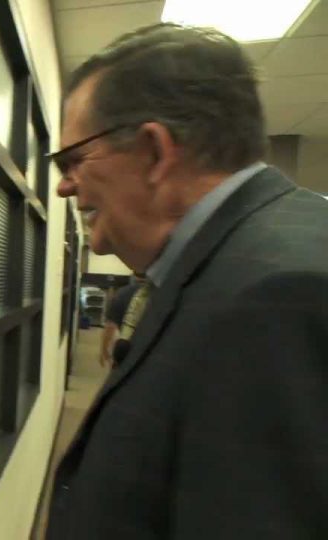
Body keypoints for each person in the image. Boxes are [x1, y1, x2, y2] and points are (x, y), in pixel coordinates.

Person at [47, 23, 328, 539]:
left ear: (155, 152)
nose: (65, 186)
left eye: (73, 161)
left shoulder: (278, 296)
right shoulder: (227, 264)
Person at [98, 275, 142, 367]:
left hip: (125, 350)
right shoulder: (164, 292)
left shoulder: (123, 293)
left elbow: (110, 327)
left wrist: (104, 351)